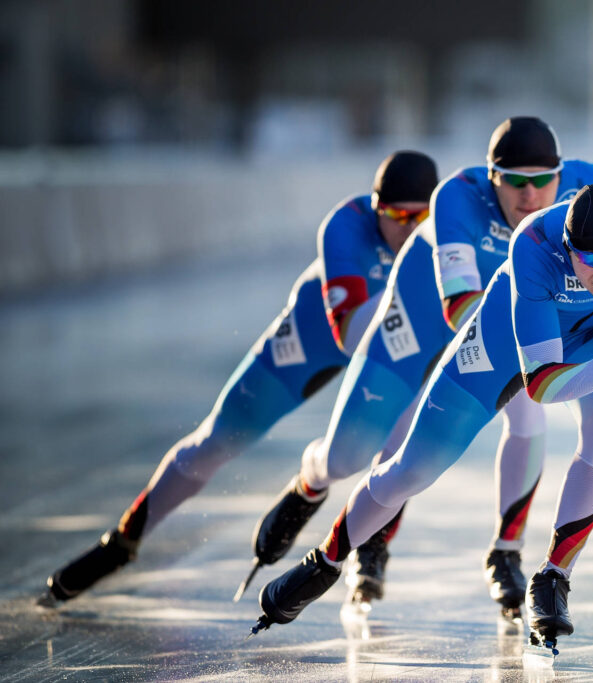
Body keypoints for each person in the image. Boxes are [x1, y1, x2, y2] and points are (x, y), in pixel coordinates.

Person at [251, 26, 593, 643]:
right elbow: (542, 387)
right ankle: (326, 561)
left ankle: (553, 575)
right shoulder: (535, 253)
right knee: (409, 473)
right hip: (502, 341)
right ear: (568, 248)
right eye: (592, 261)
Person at [247, 116, 593, 613]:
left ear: (561, 176)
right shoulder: (458, 197)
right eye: (515, 182)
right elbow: (460, 309)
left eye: (543, 181)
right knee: (352, 454)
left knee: (528, 415)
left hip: (509, 313)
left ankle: (505, 554)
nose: (531, 196)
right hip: (428, 310)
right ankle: (314, 479)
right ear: (491, 178)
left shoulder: (583, 185)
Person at [43, 151, 439, 603]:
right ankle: (125, 538)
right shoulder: (345, 226)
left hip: (392, 344)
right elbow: (352, 337)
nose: (409, 228)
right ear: (375, 209)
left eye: (420, 216)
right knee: (217, 441)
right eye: (396, 215)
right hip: (317, 335)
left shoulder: (443, 240)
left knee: (406, 436)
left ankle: (371, 546)